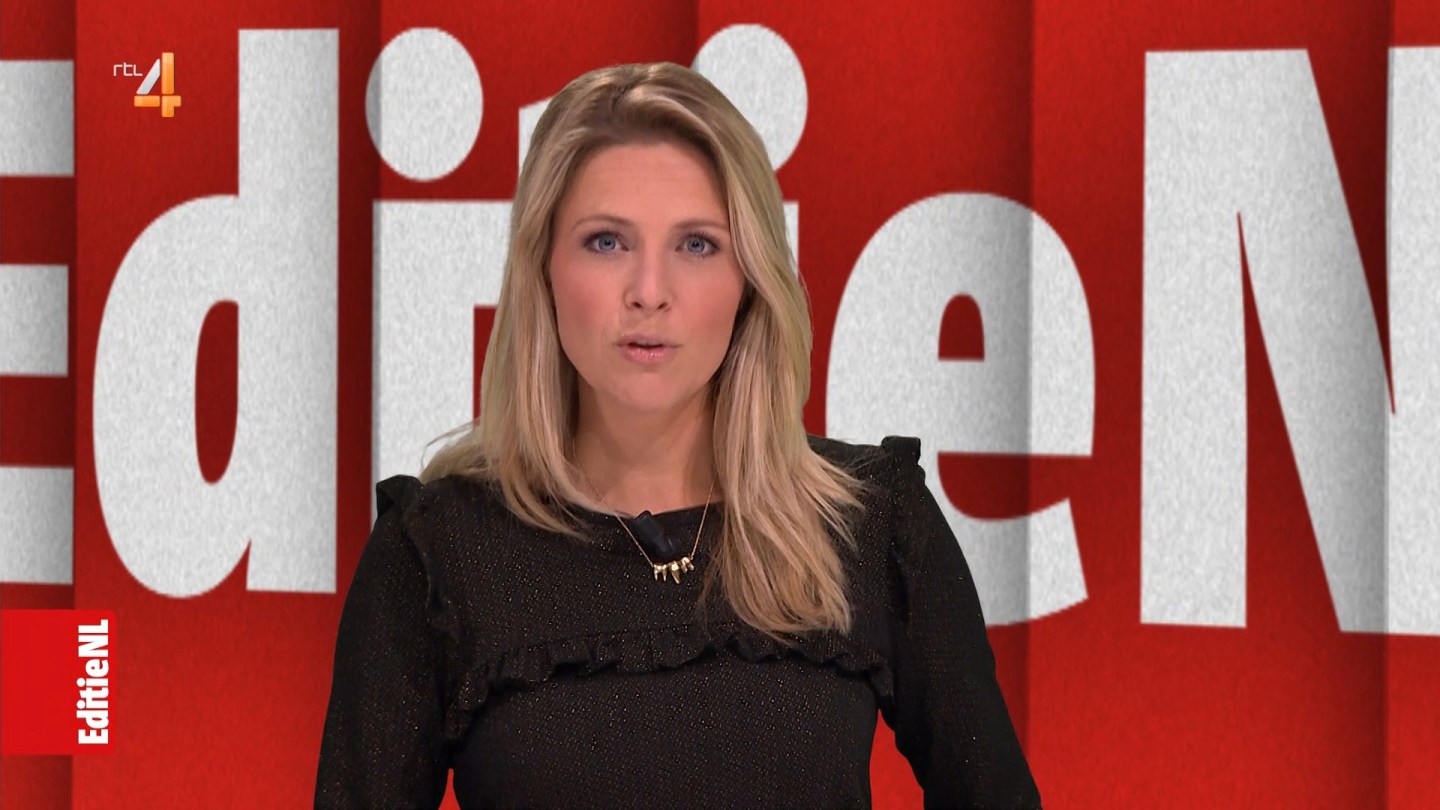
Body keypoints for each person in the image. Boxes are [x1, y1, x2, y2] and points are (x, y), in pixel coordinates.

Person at [315, 61, 1040, 809]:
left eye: (697, 245)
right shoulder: (436, 554)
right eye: (606, 242)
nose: (650, 292)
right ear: (544, 269)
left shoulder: (869, 522)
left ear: (749, 280)